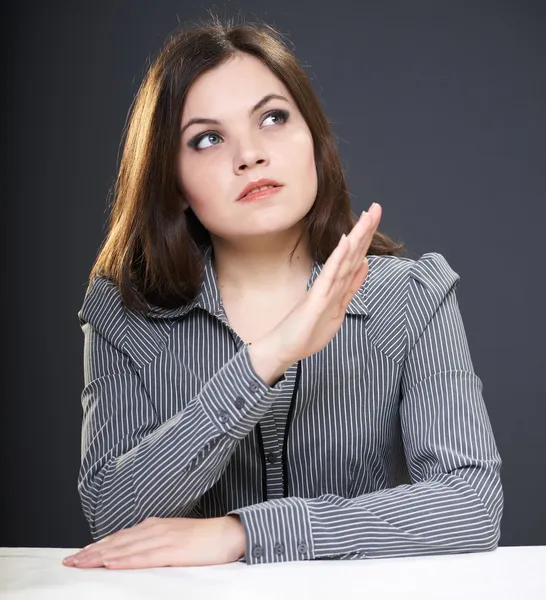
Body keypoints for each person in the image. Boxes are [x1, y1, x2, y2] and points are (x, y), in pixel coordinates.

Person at [63, 14, 503, 570]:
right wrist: (269, 356)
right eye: (207, 138)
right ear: (172, 183)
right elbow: (111, 515)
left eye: (272, 118)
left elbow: (471, 504)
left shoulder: (412, 296)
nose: (249, 155)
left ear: (314, 141)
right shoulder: (123, 310)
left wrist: (243, 534)